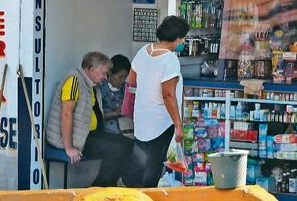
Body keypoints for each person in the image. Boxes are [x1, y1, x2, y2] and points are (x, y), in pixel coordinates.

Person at [45, 51, 138, 187]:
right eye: (103, 73)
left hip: (87, 135)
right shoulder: (74, 80)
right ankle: (98, 188)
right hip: (71, 139)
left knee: (127, 143)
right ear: (91, 69)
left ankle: (111, 184)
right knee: (116, 150)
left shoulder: (91, 84)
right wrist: (69, 148)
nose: (105, 77)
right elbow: (66, 114)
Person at [128, 15, 190, 188]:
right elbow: (168, 95)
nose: (183, 42)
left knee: (141, 163)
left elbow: (131, 80)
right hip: (161, 122)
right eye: (183, 38)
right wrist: (178, 125)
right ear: (177, 38)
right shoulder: (170, 59)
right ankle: (147, 198)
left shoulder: (143, 51)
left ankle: (135, 194)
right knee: (153, 166)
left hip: (141, 117)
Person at [101, 54, 131, 134]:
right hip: (107, 135)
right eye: (120, 77)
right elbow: (93, 117)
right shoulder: (99, 90)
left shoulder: (128, 89)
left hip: (128, 133)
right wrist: (115, 113)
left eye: (125, 77)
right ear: (109, 72)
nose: (123, 81)